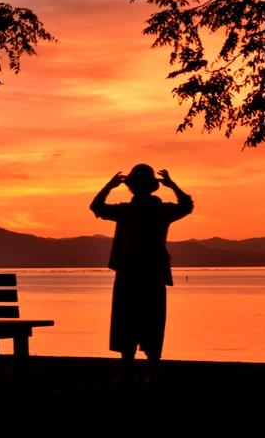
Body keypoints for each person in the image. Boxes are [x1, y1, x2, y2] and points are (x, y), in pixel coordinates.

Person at [90, 164, 193, 385]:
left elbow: (96, 207)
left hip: (128, 275)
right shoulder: (163, 211)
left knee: (125, 324)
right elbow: (187, 206)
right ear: (154, 187)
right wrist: (173, 185)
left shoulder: (126, 211)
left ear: (131, 187)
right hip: (154, 276)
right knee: (153, 325)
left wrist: (109, 185)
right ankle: (152, 374)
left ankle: (129, 373)